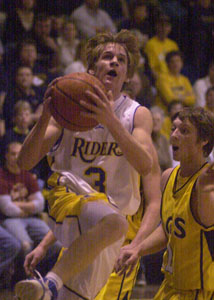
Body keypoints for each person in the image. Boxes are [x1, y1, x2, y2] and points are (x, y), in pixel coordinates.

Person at [14, 29, 154, 300]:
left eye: (121, 60)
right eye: (107, 56)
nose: (114, 62)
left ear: (126, 75)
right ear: (91, 68)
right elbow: (24, 161)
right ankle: (50, 283)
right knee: (116, 225)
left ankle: (46, 290)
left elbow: (145, 165)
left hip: (105, 224)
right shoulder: (69, 108)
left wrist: (109, 119)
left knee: (77, 296)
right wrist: (45, 116)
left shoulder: (137, 114)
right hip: (69, 196)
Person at [116, 106, 214, 300]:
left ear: (204, 141)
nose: (174, 135)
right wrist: (138, 248)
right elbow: (169, 228)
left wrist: (205, 190)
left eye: (184, 131)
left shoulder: (205, 187)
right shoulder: (168, 176)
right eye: (174, 128)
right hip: (170, 286)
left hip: (199, 291)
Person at [94, 138, 161, 300]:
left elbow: (155, 204)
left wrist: (136, 246)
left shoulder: (140, 140)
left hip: (121, 247)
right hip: (84, 239)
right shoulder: (89, 139)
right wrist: (44, 245)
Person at [0, 142, 61, 281]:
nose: (16, 157)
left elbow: (40, 205)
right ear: (6, 156)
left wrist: (17, 204)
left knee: (56, 245)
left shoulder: (26, 175)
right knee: (25, 245)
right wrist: (28, 205)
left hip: (31, 218)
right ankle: (20, 282)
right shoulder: (2, 175)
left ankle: (40, 277)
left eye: (19, 153)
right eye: (13, 154)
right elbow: (6, 208)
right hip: (9, 219)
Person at [144, 14, 179, 80]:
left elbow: (177, 66)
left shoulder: (173, 45)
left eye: (166, 26)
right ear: (156, 26)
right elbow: (151, 68)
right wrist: (162, 81)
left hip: (172, 79)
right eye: (161, 25)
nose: (164, 29)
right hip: (159, 79)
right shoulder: (150, 44)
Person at [150, 106, 172, 173]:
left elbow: (169, 164)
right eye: (153, 120)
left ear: (162, 122)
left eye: (158, 120)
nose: (155, 123)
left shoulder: (164, 139)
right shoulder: (145, 138)